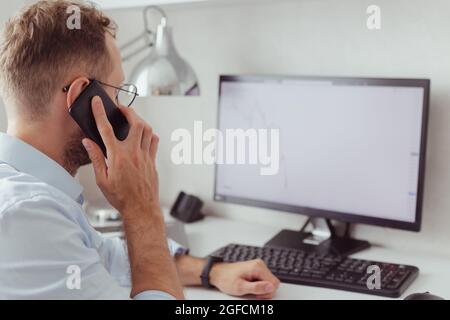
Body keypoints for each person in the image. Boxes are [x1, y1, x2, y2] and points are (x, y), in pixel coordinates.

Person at [0, 0, 280, 299]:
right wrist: (141, 208)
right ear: (83, 97)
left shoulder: (29, 193)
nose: (122, 109)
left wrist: (209, 270)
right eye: (116, 92)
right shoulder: (28, 214)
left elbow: (104, 257)